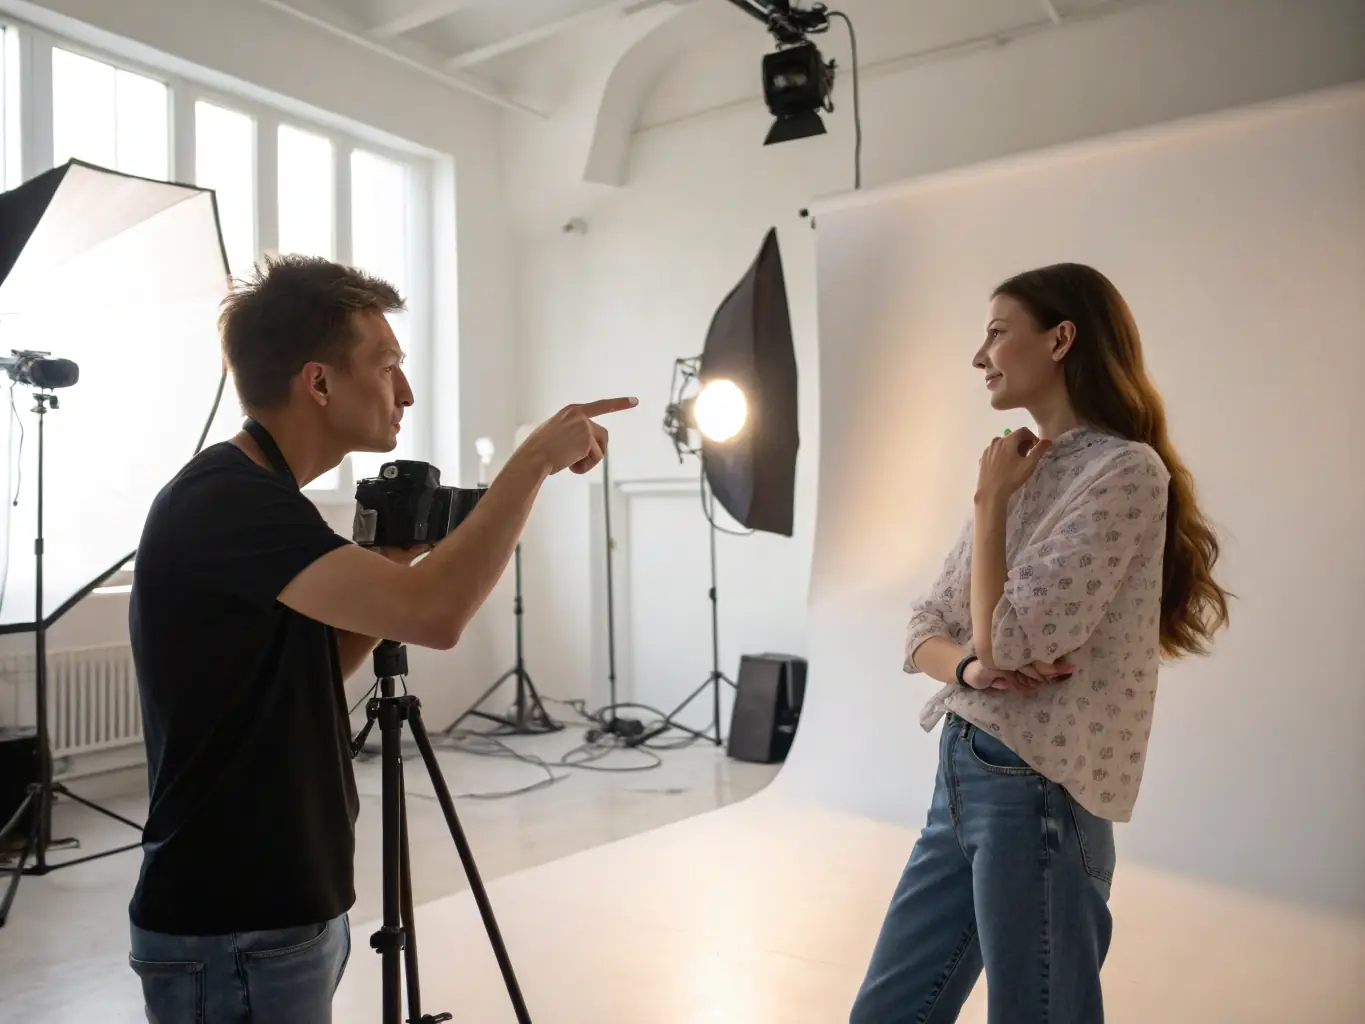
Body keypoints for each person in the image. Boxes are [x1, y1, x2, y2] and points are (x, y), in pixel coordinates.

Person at [125, 254, 637, 1023]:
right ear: (319, 382)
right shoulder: (226, 501)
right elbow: (436, 615)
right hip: (233, 920)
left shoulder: (260, 497)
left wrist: (389, 567)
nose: (405, 392)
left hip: (275, 908)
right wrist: (530, 462)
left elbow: (303, 672)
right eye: (388, 365)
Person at [848, 263, 1231, 1024]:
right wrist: (968, 665)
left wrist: (991, 508)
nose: (978, 354)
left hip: (1038, 788)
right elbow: (924, 625)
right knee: (886, 1013)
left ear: (1059, 338)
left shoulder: (1124, 472)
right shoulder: (1024, 463)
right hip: (963, 772)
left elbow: (1013, 640)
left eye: (995, 331)